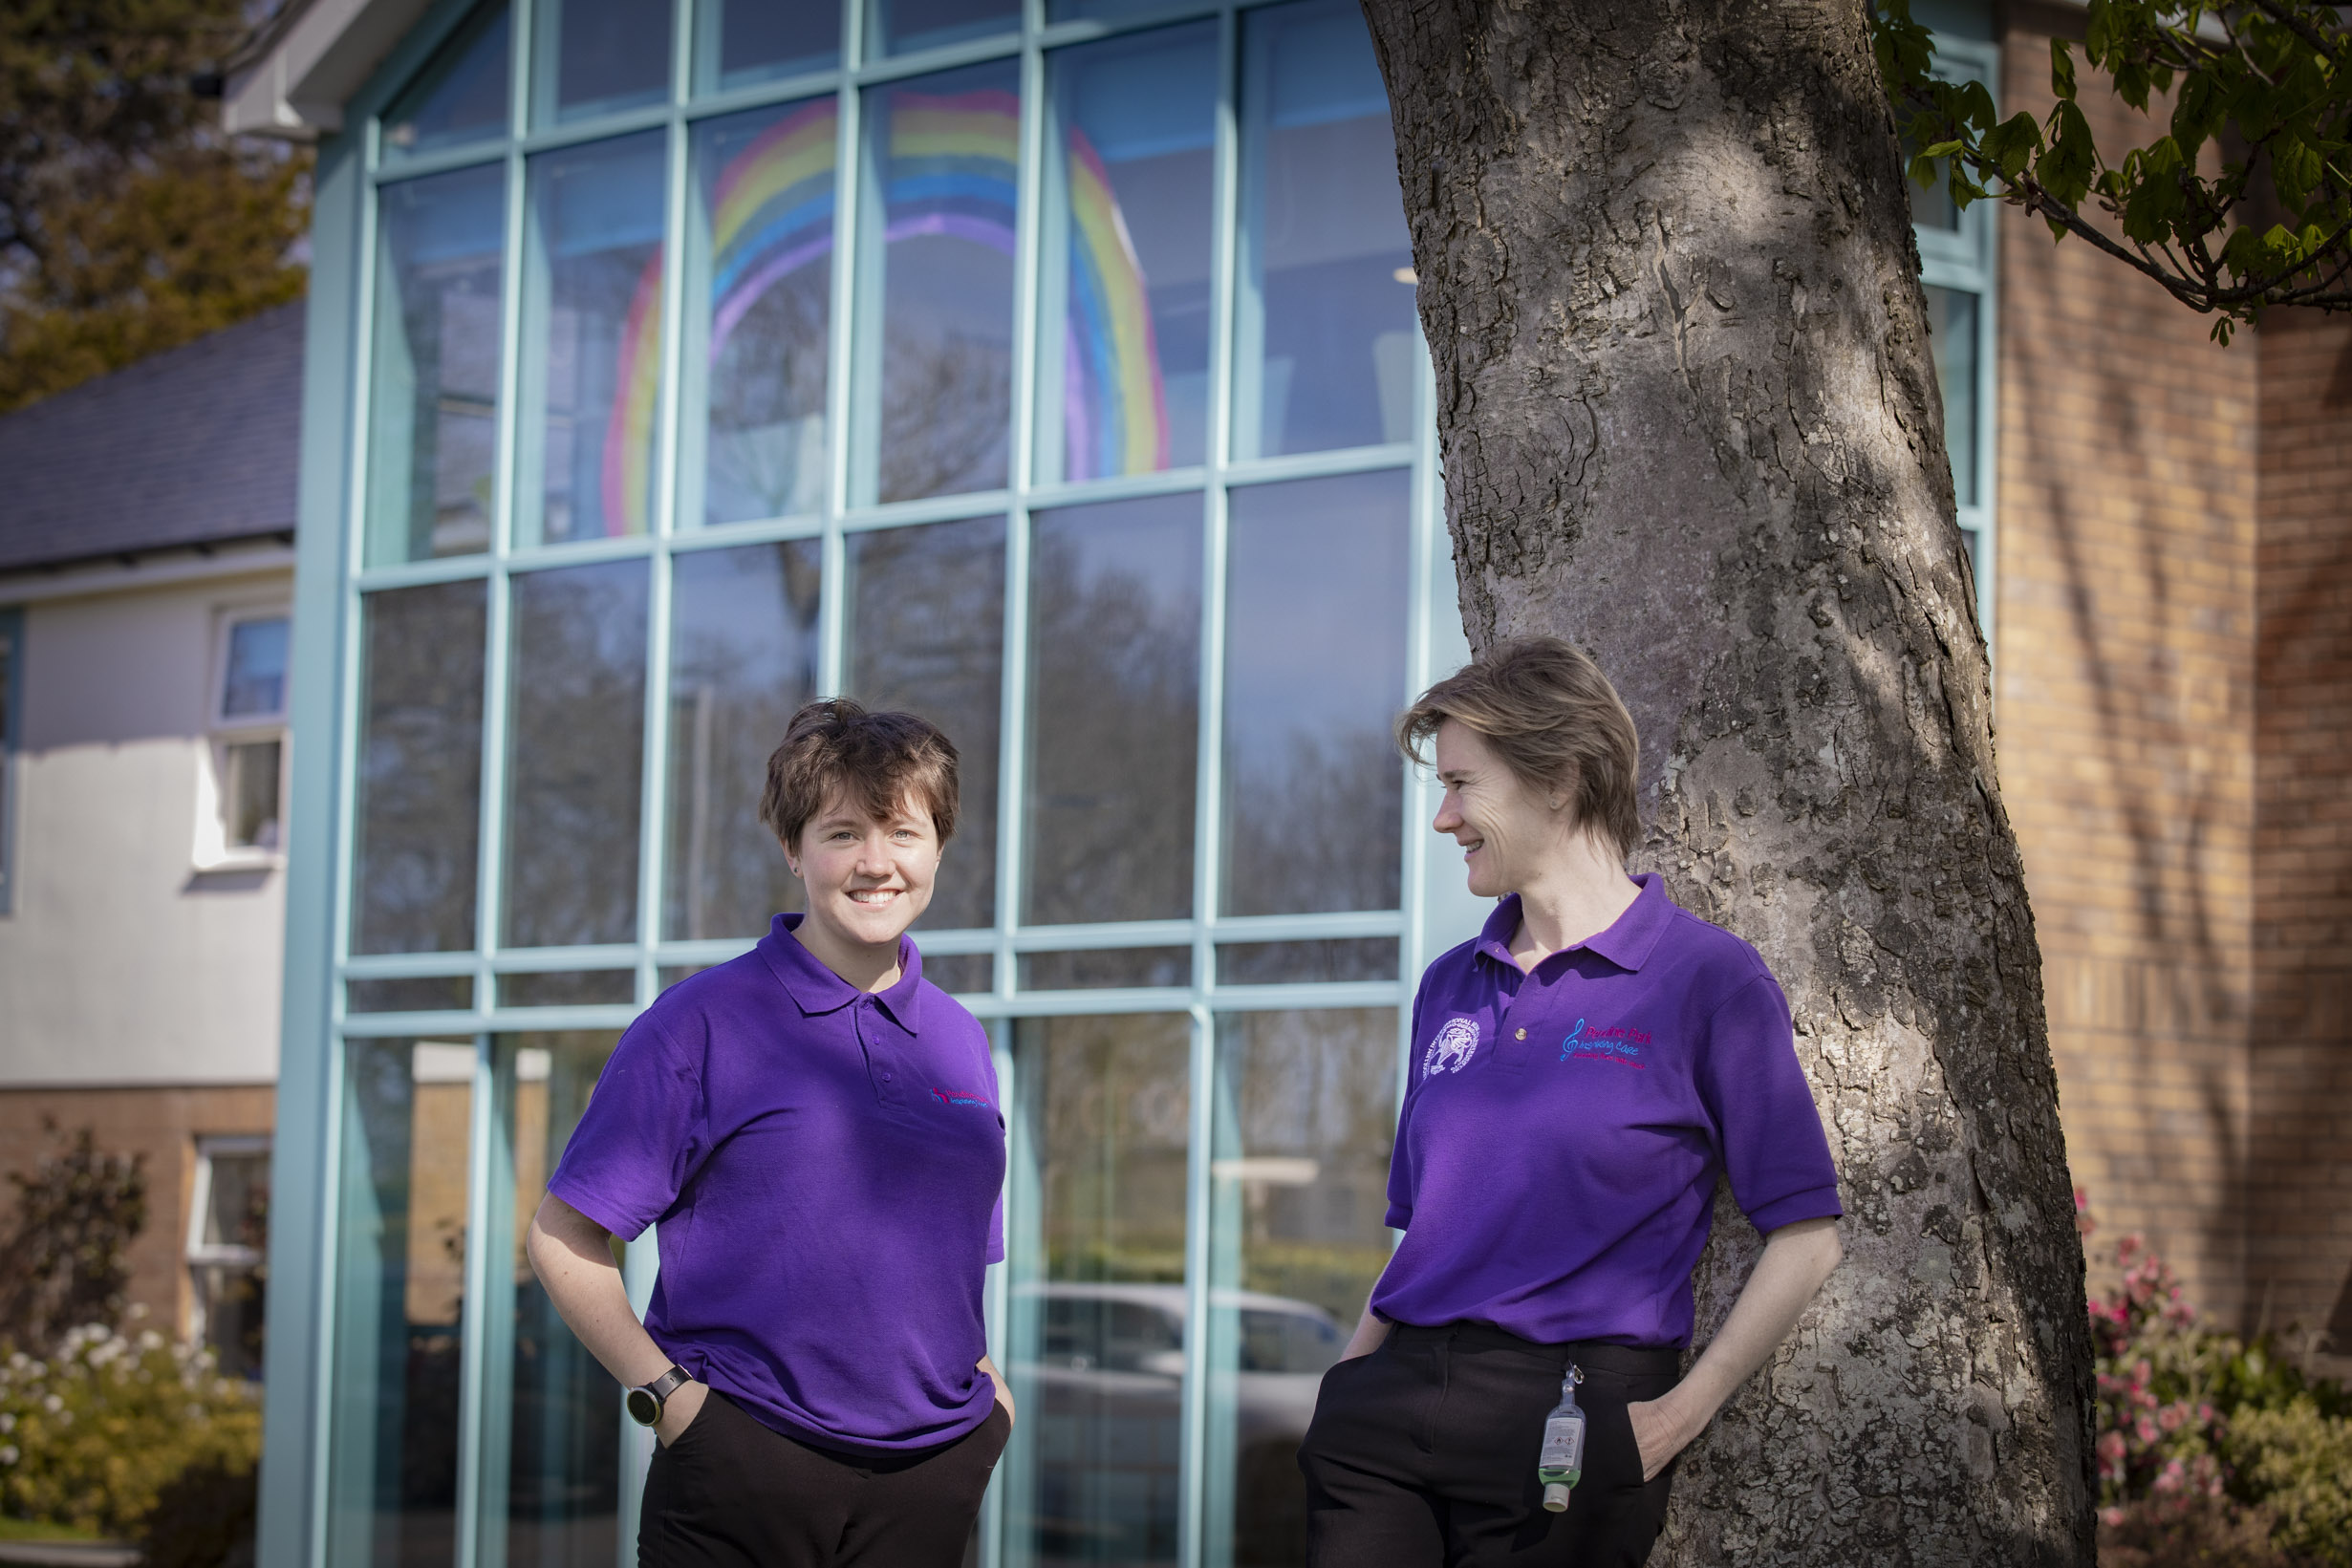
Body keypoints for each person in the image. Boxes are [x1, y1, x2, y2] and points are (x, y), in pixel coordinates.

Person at [1298, 636, 1845, 1567]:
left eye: (1463, 784)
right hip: (1386, 1413)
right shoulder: (1450, 984)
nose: (1443, 818)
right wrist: (1346, 1384)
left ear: (1556, 777)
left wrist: (1674, 1419)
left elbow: (1807, 1234)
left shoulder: (1705, 981)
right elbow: (1418, 1233)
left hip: (1568, 1425)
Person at [528, 698, 1011, 1568]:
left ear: (938, 846)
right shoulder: (703, 1022)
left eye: (902, 832)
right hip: (745, 1464)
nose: (875, 863)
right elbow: (563, 1234)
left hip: (932, 1475)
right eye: (841, 833)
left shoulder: (960, 1038)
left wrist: (990, 1404)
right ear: (794, 850)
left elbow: (955, 1258)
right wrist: (669, 1399)